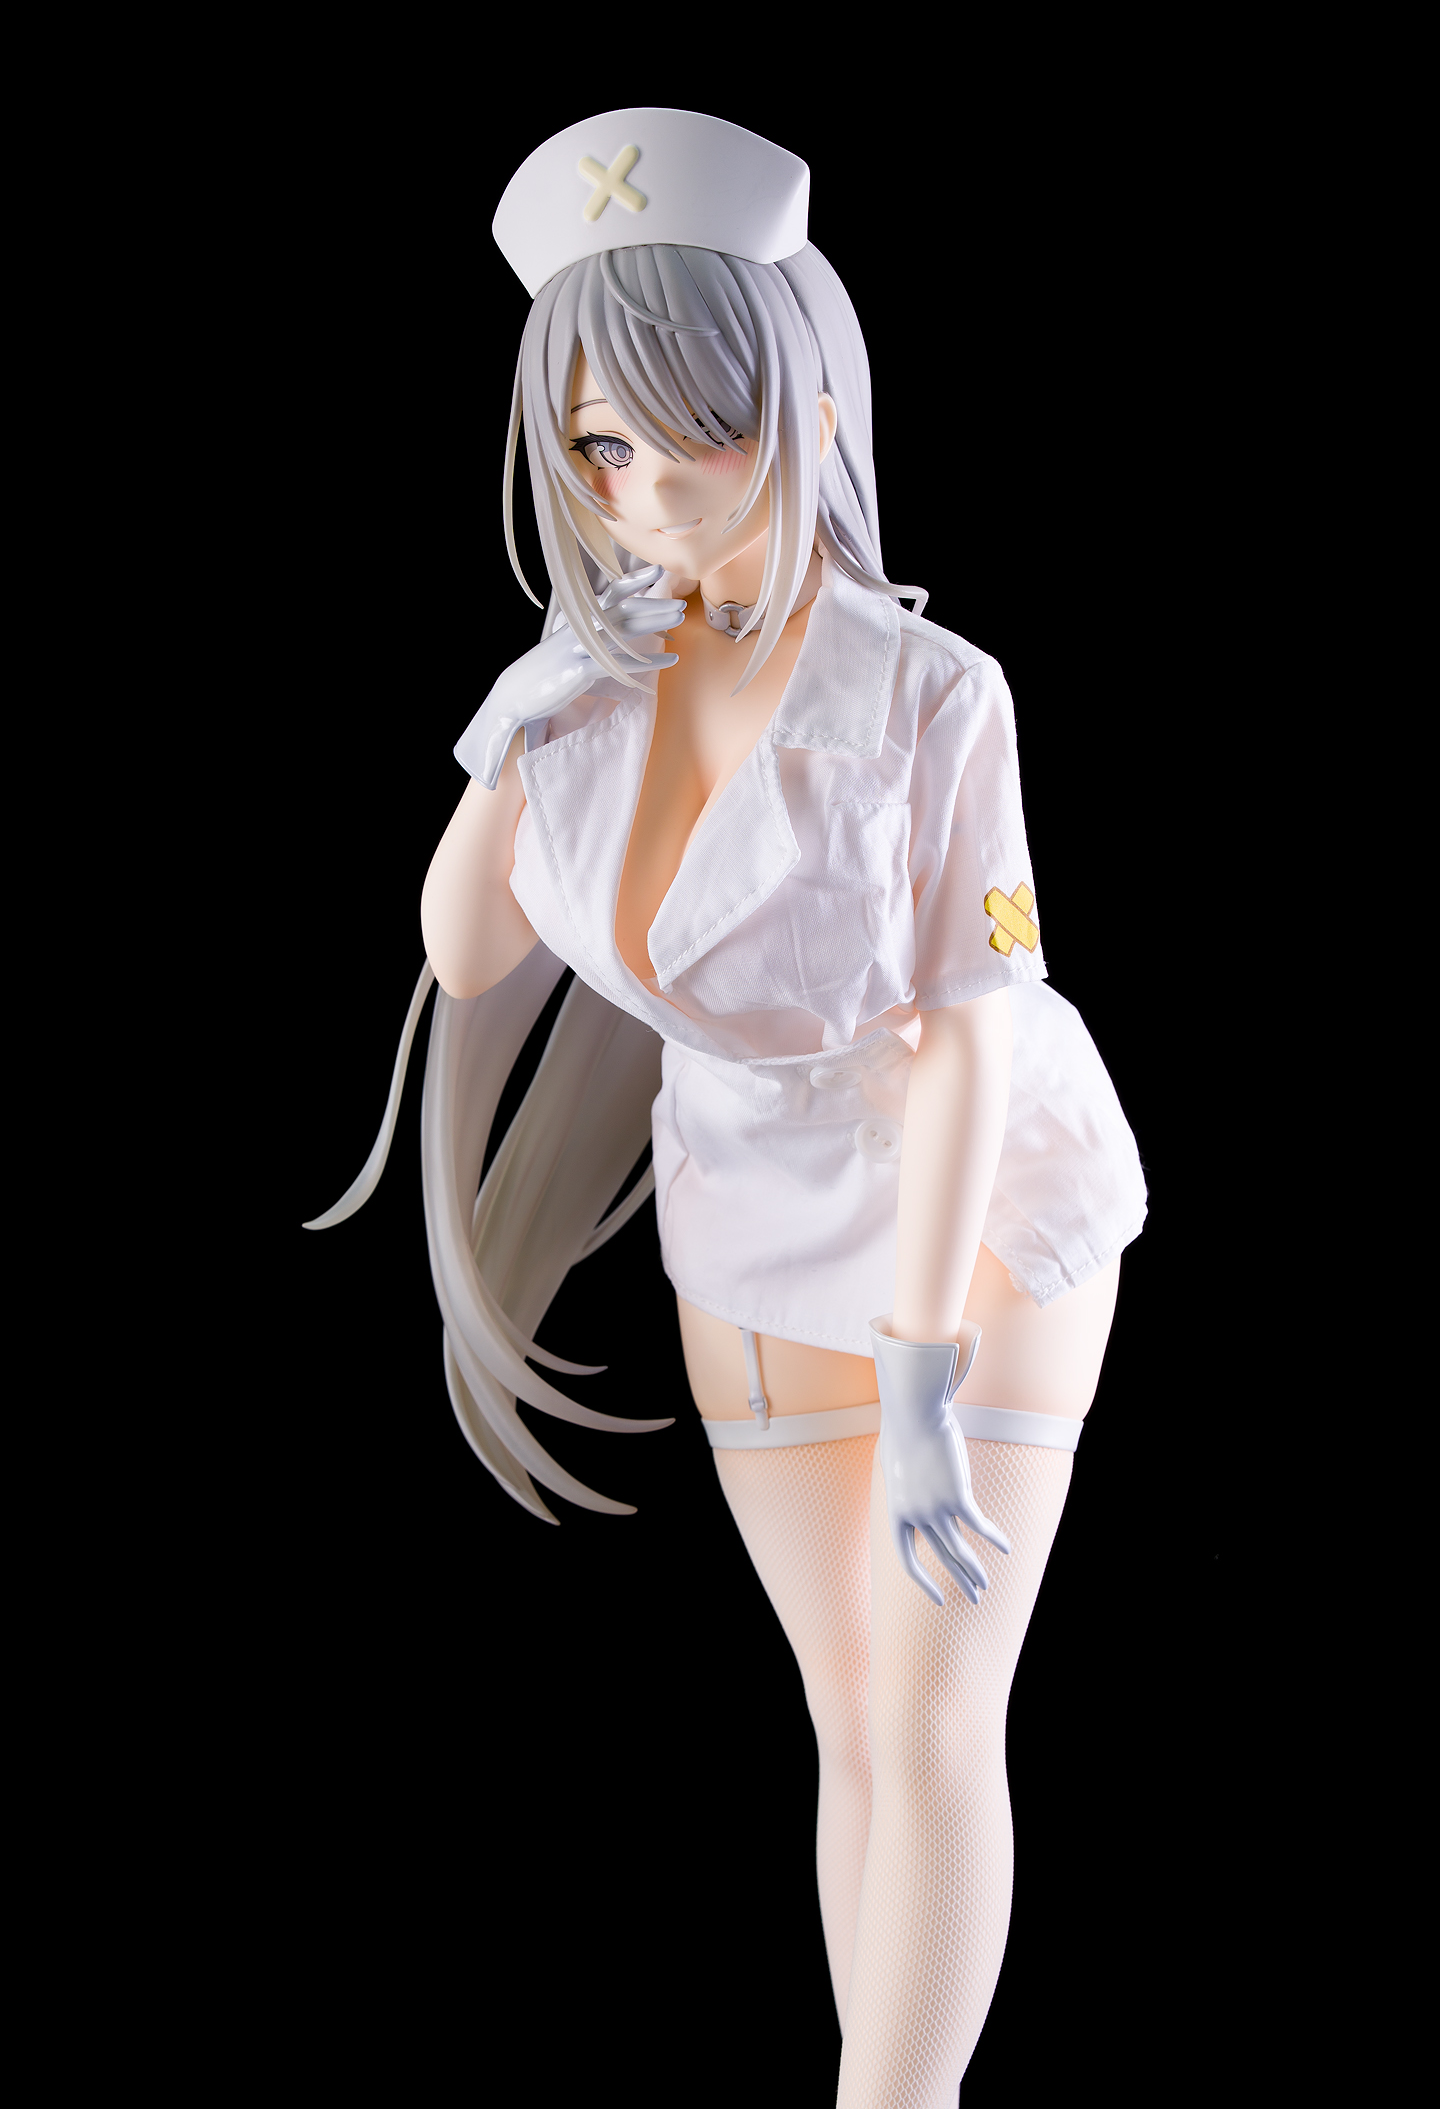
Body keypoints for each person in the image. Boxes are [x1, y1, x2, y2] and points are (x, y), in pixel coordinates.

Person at [310, 108, 1146, 2106]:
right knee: (851, 1720)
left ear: (807, 400)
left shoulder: (937, 697)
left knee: (938, 1718)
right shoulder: (590, 692)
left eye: (700, 427)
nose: (653, 488)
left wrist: (927, 1373)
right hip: (745, 1224)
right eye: (603, 447)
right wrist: (510, 727)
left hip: (972, 1214)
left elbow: (970, 1039)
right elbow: (465, 952)